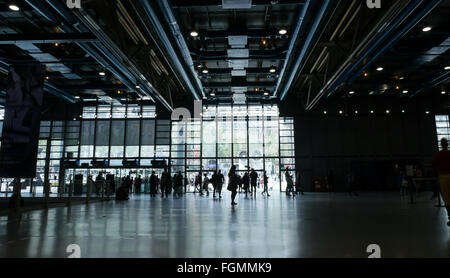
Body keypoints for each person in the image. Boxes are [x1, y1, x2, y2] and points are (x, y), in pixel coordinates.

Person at [432, 138, 450, 227]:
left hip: (443, 177)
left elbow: (433, 165)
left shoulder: (438, 155)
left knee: (447, 199)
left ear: (441, 144)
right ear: (447, 144)